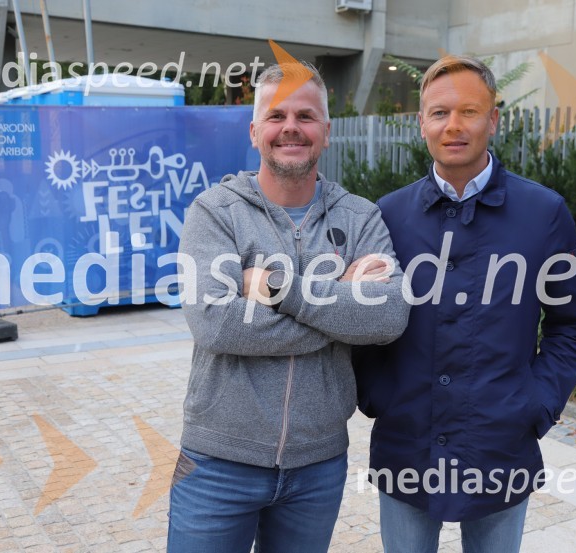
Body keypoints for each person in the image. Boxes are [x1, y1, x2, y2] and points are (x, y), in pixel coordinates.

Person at [354, 55, 576, 553]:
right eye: (439, 113)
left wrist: (536, 404)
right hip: (407, 442)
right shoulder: (387, 216)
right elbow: (365, 316)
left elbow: (571, 325)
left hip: (500, 446)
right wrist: (378, 394)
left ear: (494, 119)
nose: (454, 126)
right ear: (421, 122)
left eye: (469, 111)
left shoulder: (543, 213)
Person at [168, 61, 410, 553]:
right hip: (218, 462)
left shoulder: (360, 216)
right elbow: (215, 324)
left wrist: (276, 288)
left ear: (326, 130)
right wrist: (340, 303)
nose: (291, 128)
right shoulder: (214, 212)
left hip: (317, 468)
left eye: (306, 115)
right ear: (255, 130)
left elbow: (388, 315)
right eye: (276, 116)